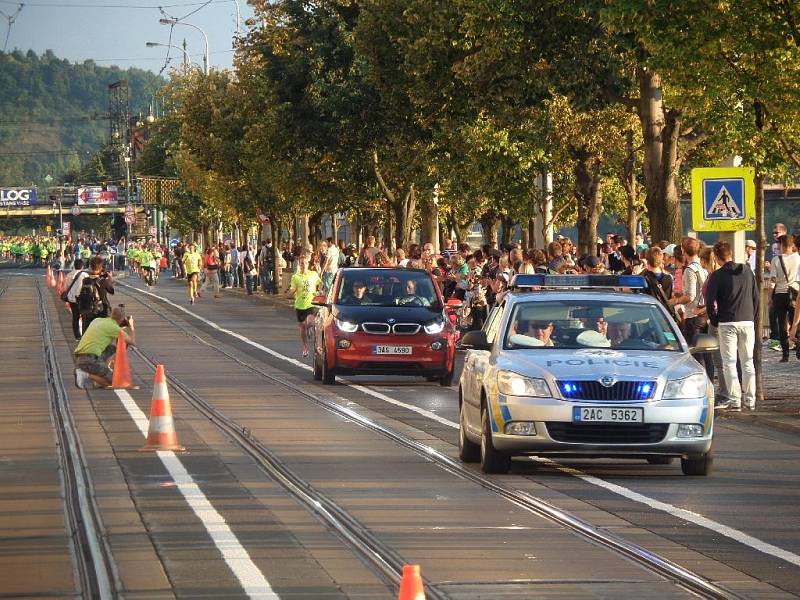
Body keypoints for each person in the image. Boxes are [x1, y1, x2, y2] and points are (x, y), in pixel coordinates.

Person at [705, 241, 759, 410]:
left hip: (727, 322)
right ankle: (750, 400)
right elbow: (756, 298)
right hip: (747, 321)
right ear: (730, 253)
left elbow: (709, 301)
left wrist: (715, 320)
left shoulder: (717, 275)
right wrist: (753, 317)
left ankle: (735, 400)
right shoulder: (747, 271)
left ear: (717, 257)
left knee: (729, 362)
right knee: (747, 361)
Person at [73, 305, 136, 389]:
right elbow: (132, 342)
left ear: (111, 314)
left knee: (112, 349)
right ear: (122, 319)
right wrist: (131, 326)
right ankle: (84, 374)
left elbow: (107, 329)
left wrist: (122, 325)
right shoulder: (115, 329)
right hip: (90, 360)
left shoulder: (97, 320)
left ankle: (99, 377)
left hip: (80, 357)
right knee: (114, 381)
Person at [769, 234, 800, 362]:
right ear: (792, 245)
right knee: (796, 322)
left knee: (782, 323)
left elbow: (773, 281)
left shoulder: (776, 260)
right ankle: (798, 348)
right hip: (795, 293)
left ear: (782, 245)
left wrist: (770, 296)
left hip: (780, 295)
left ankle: (785, 355)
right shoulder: (798, 258)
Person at [285, 252, 321, 357]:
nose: (303, 265)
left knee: (310, 322)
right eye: (301, 263)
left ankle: (309, 328)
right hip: (300, 304)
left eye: (305, 263)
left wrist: (319, 292)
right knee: (302, 327)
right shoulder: (296, 277)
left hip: (310, 303)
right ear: (299, 265)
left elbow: (321, 284)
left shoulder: (313, 274)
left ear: (308, 264)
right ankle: (305, 347)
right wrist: (290, 293)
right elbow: (292, 289)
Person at [79, 256, 115, 331]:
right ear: (101, 267)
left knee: (88, 332)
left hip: (88, 309)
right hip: (101, 311)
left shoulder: (85, 280)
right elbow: (112, 291)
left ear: (91, 267)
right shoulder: (103, 281)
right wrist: (111, 280)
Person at [64, 258, 88, 340]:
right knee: (85, 317)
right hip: (82, 300)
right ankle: (85, 335)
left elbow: (65, 288)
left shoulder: (69, 275)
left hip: (72, 299)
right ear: (82, 266)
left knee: (75, 317)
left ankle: (77, 336)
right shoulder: (84, 275)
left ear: (74, 266)